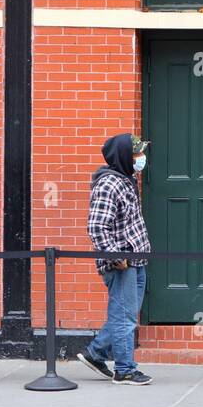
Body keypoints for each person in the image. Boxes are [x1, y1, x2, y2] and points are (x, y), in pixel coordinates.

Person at [80, 134, 153, 386]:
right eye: (136, 155)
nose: (141, 159)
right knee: (125, 317)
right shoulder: (109, 184)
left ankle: (96, 352)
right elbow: (97, 226)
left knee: (128, 314)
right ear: (123, 156)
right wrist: (115, 255)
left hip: (136, 258)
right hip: (122, 261)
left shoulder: (127, 180)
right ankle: (125, 369)